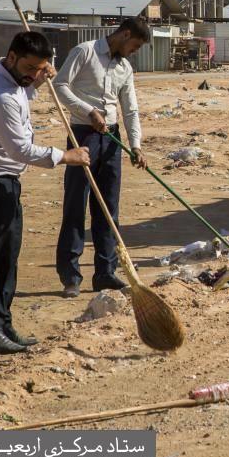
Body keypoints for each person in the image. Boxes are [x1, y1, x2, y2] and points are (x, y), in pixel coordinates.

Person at [0, 32, 91, 354]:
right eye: (30, 67)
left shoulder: (1, 71)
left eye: (41, 68)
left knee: (7, 257)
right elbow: (20, 149)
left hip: (3, 181)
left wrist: (38, 83)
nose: (33, 74)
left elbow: (23, 95)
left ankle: (2, 324)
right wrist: (66, 156)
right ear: (12, 56)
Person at [53, 17, 149, 298]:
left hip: (112, 139)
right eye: (135, 45)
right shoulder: (85, 52)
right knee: (75, 204)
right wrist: (87, 111)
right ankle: (70, 276)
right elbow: (60, 86)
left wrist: (136, 145)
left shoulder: (125, 67)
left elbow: (130, 109)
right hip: (82, 135)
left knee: (108, 208)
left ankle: (105, 273)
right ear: (125, 34)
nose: (134, 51)